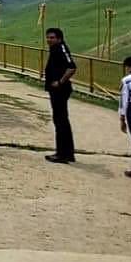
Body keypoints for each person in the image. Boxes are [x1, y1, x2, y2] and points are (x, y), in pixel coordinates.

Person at [44, 26, 76, 164]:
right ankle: (67, 152)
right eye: (48, 37)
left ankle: (62, 154)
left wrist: (60, 82)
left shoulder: (61, 48)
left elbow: (72, 67)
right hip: (55, 90)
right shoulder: (55, 49)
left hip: (60, 90)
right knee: (61, 120)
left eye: (52, 38)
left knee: (60, 121)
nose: (49, 40)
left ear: (59, 38)